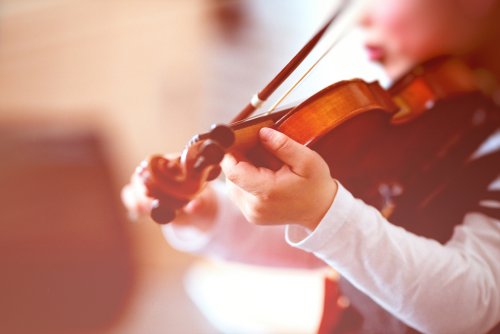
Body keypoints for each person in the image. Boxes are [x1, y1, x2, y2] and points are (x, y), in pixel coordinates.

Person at [122, 0, 500, 332]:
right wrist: (209, 214)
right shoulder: (421, 120)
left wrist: (323, 211)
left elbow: (474, 305)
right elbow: (334, 247)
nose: (362, 17)